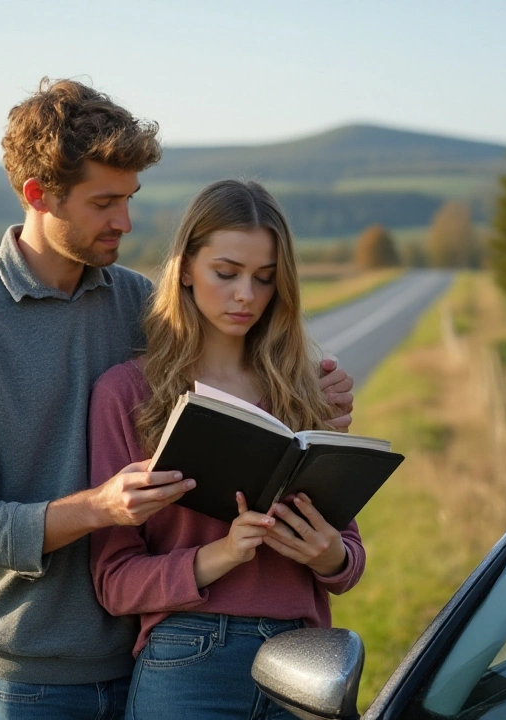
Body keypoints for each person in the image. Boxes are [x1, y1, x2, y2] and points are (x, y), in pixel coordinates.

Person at [0, 79, 354, 720]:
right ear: (38, 195)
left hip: (156, 654)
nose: (125, 221)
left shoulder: (139, 303)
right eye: (104, 202)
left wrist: (321, 400)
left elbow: (239, 346)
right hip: (35, 678)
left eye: (131, 199)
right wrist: (98, 507)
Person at [88, 179, 366, 720]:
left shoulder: (307, 390)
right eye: (226, 272)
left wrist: (326, 554)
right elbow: (114, 582)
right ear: (186, 267)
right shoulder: (127, 394)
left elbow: (349, 559)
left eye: (265, 279)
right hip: (189, 661)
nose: (246, 295)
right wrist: (221, 555)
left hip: (304, 662)